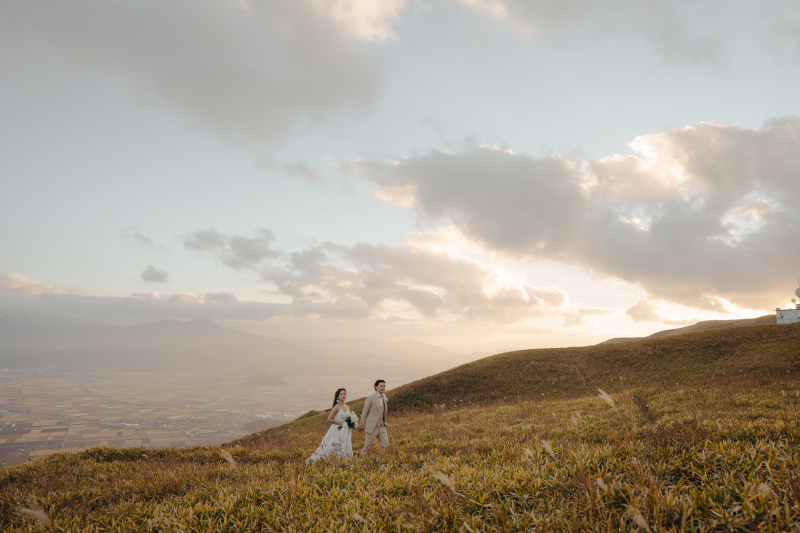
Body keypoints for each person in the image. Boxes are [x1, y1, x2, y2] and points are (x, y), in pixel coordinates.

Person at [306, 388, 354, 462]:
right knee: (334, 444)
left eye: (344, 394)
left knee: (345, 443)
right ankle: (330, 459)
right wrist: (341, 423)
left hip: (346, 429)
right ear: (337, 396)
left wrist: (351, 423)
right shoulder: (336, 407)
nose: (343, 395)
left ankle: (344, 459)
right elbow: (329, 419)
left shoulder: (347, 407)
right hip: (337, 429)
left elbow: (349, 418)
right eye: (341, 394)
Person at [357, 379, 389, 456]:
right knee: (368, 447)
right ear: (375, 387)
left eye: (384, 386)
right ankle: (361, 461)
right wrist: (362, 425)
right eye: (381, 386)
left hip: (382, 425)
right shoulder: (370, 397)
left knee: (386, 445)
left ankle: (381, 459)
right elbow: (365, 412)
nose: (383, 388)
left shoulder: (384, 396)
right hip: (372, 426)